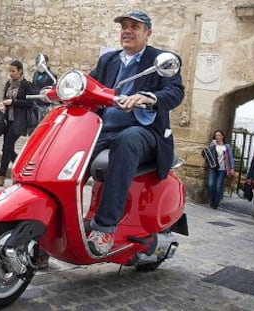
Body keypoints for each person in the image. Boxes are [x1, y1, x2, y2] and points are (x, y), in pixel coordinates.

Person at [84, 10, 185, 255]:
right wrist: (57, 90)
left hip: (144, 131)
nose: (127, 31)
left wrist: (149, 97)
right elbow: (90, 85)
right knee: (71, 149)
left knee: (127, 140)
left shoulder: (161, 60)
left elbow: (175, 91)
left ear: (147, 33)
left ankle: (105, 227)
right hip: (104, 130)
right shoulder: (109, 60)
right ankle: (53, 223)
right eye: (124, 26)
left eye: (134, 27)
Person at [0, 60, 37, 187]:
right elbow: (6, 99)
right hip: (7, 120)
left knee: (7, 147)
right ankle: (21, 170)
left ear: (20, 71)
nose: (11, 73)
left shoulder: (26, 85)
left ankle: (1, 176)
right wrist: (3, 104)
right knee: (7, 148)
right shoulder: (8, 84)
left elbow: (30, 103)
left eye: (13, 71)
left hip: (19, 121)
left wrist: (13, 102)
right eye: (9, 71)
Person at [206, 130, 235, 209]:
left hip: (222, 169)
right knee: (211, 184)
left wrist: (232, 168)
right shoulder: (213, 145)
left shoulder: (227, 146)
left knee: (218, 187)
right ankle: (213, 198)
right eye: (216, 136)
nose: (217, 137)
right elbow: (206, 153)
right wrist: (211, 145)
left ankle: (215, 203)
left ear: (222, 136)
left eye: (219, 135)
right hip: (214, 168)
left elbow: (230, 158)